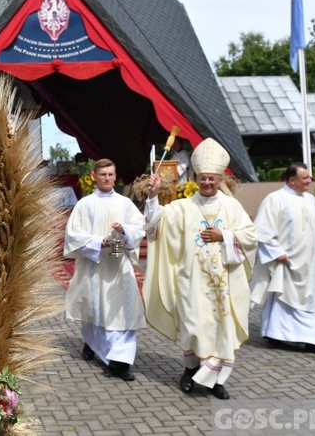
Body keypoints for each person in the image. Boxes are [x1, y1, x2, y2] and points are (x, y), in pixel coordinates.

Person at [142, 138, 256, 400]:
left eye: (212, 179)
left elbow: (250, 235)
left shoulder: (231, 206)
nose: (207, 182)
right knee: (193, 327)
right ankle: (190, 369)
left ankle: (216, 381)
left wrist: (224, 235)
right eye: (203, 178)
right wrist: (152, 195)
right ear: (195, 177)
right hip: (191, 282)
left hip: (223, 284)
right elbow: (154, 224)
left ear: (220, 179)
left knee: (220, 328)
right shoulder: (184, 206)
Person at [63, 159, 146, 381]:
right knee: (96, 310)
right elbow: (72, 235)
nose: (107, 178)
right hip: (94, 265)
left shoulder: (125, 203)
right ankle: (94, 344)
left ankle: (119, 361)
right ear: (94, 176)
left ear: (115, 175)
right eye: (103, 175)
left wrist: (125, 230)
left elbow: (139, 229)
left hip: (119, 266)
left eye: (110, 174)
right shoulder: (84, 205)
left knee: (124, 312)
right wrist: (98, 242)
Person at [249, 163, 315, 355]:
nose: (310, 180)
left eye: (309, 177)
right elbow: (262, 230)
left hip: (310, 263)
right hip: (286, 261)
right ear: (292, 180)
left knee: (313, 301)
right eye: (305, 178)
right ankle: (276, 335)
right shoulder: (275, 200)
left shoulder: (310, 200)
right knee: (283, 299)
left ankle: (311, 340)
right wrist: (275, 252)